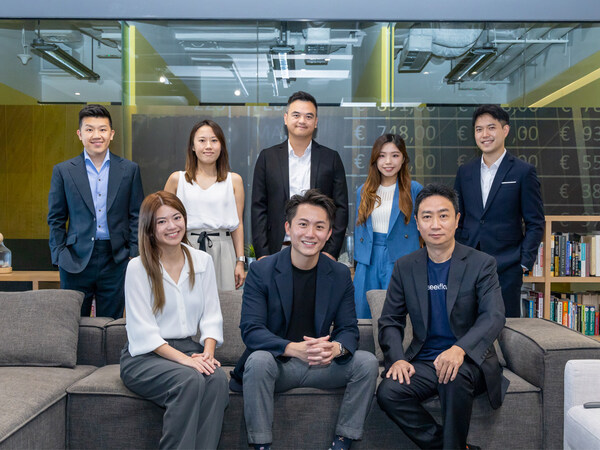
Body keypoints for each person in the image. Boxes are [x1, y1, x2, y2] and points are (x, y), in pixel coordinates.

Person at [231, 189, 378, 450]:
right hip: (278, 366)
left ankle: (342, 442)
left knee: (366, 362)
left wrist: (335, 349)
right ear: (288, 228)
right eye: (303, 224)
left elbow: (348, 328)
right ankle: (261, 446)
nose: (311, 233)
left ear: (329, 233)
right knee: (258, 360)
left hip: (322, 366)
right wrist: (292, 348)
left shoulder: (339, 274)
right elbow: (251, 330)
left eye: (319, 227)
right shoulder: (262, 271)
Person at [376, 183, 508, 450]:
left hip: (470, 360)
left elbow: (493, 316)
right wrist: (397, 359)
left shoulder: (482, 264)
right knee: (389, 392)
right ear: (417, 223)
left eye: (443, 215)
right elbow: (390, 320)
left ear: (457, 220)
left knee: (453, 376)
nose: (435, 224)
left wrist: (459, 349)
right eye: (427, 216)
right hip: (425, 361)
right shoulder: (405, 267)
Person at [120, 191, 228, 450]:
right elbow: (143, 332)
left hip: (188, 349)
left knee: (217, 379)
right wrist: (187, 361)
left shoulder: (202, 261)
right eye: (162, 221)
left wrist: (207, 355)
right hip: (144, 357)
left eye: (176, 217)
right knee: (189, 379)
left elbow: (212, 316)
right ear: (150, 229)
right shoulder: (137, 267)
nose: (172, 226)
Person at [47, 104, 144, 318]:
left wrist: (133, 254)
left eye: (102, 129)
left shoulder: (129, 170)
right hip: (74, 259)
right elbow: (56, 218)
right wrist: (59, 254)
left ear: (112, 134)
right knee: (73, 322)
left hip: (117, 259)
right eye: (89, 129)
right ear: (80, 134)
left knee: (111, 322)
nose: (96, 135)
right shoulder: (63, 171)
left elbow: (137, 216)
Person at [454, 104, 544, 317]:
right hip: (468, 263)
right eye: (479, 129)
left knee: (504, 325)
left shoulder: (523, 172)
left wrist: (524, 262)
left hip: (507, 266)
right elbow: (458, 217)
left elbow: (535, 222)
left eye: (491, 127)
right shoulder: (465, 172)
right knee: (466, 323)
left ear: (505, 130)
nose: (484, 134)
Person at [251, 91, 348, 260]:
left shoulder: (331, 158)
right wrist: (262, 253)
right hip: (277, 249)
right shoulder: (267, 157)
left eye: (309, 116)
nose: (302, 121)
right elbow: (259, 208)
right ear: (286, 118)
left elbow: (341, 208)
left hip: (318, 249)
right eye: (296, 115)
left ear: (316, 122)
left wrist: (330, 252)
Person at [164, 119, 246, 290]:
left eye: (214, 140)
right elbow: (163, 222)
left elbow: (238, 224)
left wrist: (240, 261)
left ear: (221, 146)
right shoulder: (177, 180)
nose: (208, 146)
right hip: (186, 248)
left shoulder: (234, 181)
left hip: (224, 251)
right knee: (185, 301)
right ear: (193, 146)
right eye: (202, 140)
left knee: (225, 302)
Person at [353, 134, 422, 319]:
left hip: (400, 257)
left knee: (397, 315)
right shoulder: (363, 191)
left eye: (395, 155)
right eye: (382, 156)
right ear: (375, 159)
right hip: (368, 259)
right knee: (363, 314)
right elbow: (359, 229)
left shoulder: (414, 189)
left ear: (403, 159)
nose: (388, 162)